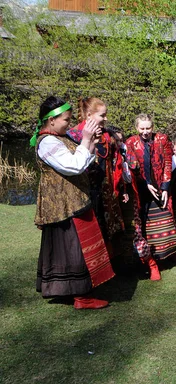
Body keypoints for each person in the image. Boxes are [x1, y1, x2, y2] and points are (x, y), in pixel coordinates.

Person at [32, 96, 114, 309]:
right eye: (66, 120)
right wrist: (86, 138)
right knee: (74, 250)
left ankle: (74, 291)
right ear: (51, 121)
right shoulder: (47, 142)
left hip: (72, 202)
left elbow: (83, 161)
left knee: (73, 248)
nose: (69, 123)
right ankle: (81, 297)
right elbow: (74, 166)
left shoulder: (60, 137)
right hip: (63, 205)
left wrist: (91, 142)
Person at [125, 114, 176, 280]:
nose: (145, 131)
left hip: (159, 186)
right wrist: (145, 182)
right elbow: (132, 167)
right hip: (142, 189)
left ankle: (170, 254)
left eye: (148, 128)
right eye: (142, 128)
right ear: (136, 128)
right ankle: (153, 261)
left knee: (166, 221)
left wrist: (165, 187)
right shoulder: (131, 142)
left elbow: (168, 163)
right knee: (146, 226)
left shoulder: (162, 139)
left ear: (153, 127)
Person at [67, 97, 124, 252]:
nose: (106, 119)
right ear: (89, 115)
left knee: (107, 228)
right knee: (88, 230)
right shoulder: (73, 135)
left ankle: (110, 267)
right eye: (102, 115)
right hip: (84, 191)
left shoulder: (108, 136)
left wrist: (120, 188)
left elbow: (116, 164)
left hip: (106, 191)